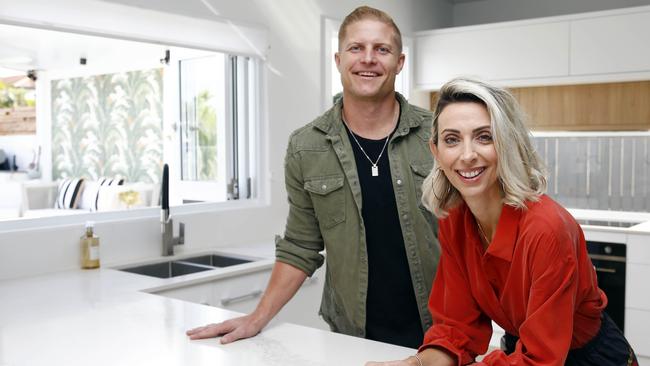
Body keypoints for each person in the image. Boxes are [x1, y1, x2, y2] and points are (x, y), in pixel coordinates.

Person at [186, 6, 440, 349]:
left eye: (381, 49)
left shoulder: (440, 134)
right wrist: (257, 317)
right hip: (352, 338)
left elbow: (482, 228)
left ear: (400, 62)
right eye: (356, 48)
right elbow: (301, 245)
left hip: (443, 332)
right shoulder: (307, 146)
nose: (368, 59)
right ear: (338, 60)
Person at [367, 77, 638, 366]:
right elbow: (457, 329)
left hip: (591, 359)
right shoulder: (455, 220)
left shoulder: (547, 230)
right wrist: (415, 364)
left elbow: (541, 359)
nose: (467, 155)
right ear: (436, 151)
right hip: (519, 352)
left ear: (507, 144)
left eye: (484, 137)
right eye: (452, 139)